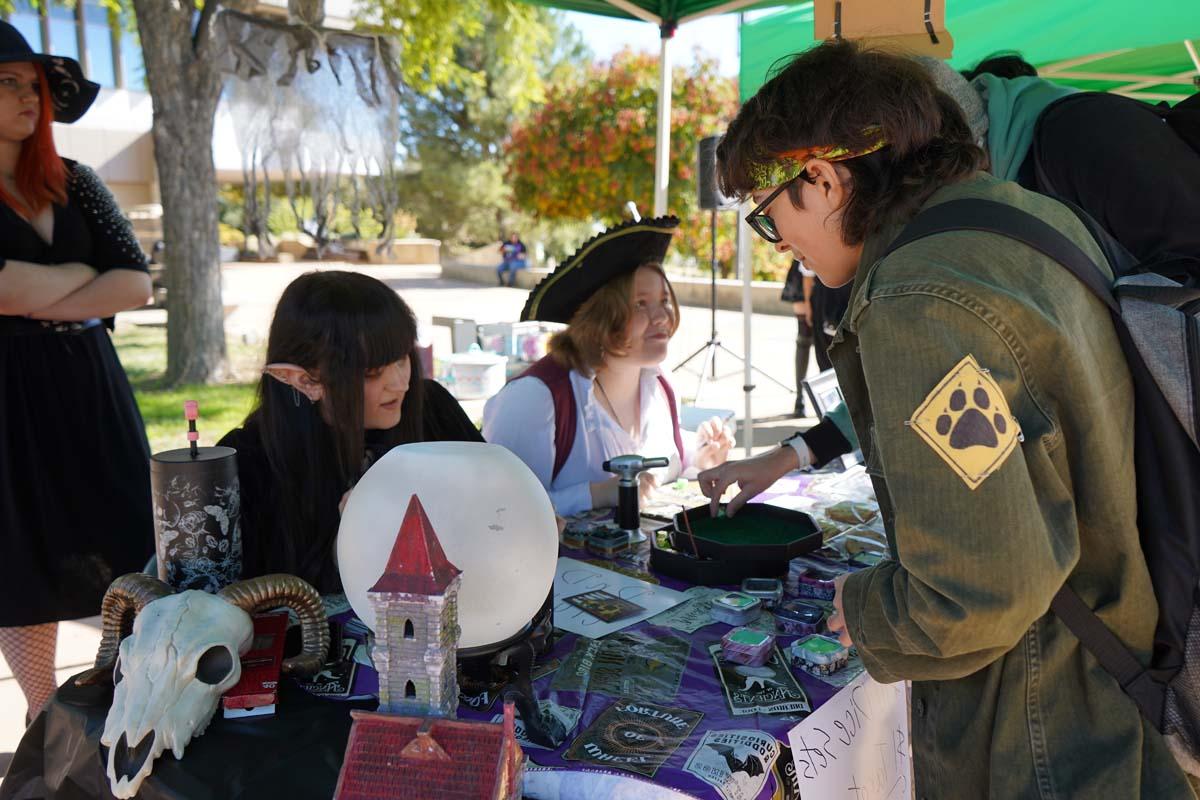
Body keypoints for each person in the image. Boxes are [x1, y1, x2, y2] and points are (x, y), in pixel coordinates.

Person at [705, 40, 1192, 798]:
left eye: (770, 218)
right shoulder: (1019, 226)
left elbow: (971, 594)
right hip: (1108, 680)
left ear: (824, 178)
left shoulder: (918, 299)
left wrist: (865, 609)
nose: (784, 249)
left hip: (1036, 729)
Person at [0, 21, 154, 723]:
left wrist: (41, 289)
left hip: (92, 386)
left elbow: (136, 285)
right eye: (9, 83)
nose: (29, 98)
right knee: (22, 552)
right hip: (7, 397)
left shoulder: (79, 182)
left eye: (34, 85)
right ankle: (41, 718)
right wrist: (82, 275)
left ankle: (119, 699)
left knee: (124, 533)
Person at [218, 271, 482, 594]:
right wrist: (349, 540)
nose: (401, 383)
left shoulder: (432, 408)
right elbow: (247, 601)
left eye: (402, 359)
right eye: (372, 373)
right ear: (304, 380)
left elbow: (493, 501)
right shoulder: (247, 461)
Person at [483, 216, 735, 517]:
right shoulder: (535, 399)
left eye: (664, 300)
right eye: (641, 304)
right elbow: (500, 511)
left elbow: (664, 468)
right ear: (600, 318)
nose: (661, 317)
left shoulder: (660, 382)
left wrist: (701, 457)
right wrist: (596, 494)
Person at [779, 259, 813, 418]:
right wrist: (808, 303)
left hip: (826, 276)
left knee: (828, 344)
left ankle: (829, 401)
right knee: (804, 339)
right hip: (805, 269)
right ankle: (800, 399)